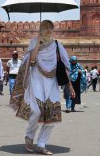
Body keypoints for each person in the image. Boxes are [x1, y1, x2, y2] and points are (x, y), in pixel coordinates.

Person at [9, 20, 75, 155]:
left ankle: (41, 144)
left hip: (51, 83)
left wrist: (70, 86)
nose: (47, 30)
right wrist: (38, 42)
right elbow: (31, 61)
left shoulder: (57, 45)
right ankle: (29, 135)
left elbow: (65, 67)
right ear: (40, 29)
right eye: (44, 27)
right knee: (36, 111)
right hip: (36, 81)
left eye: (50, 27)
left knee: (51, 115)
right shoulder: (34, 42)